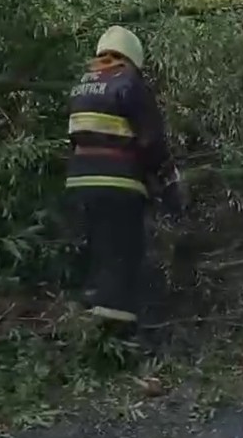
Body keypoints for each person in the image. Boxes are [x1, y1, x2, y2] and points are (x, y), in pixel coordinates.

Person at [65, 25, 186, 342]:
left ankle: (90, 317)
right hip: (118, 182)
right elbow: (151, 141)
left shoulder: (80, 86)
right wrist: (167, 182)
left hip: (80, 181)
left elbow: (76, 137)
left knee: (99, 250)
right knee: (125, 252)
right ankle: (118, 339)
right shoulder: (131, 84)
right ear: (134, 56)